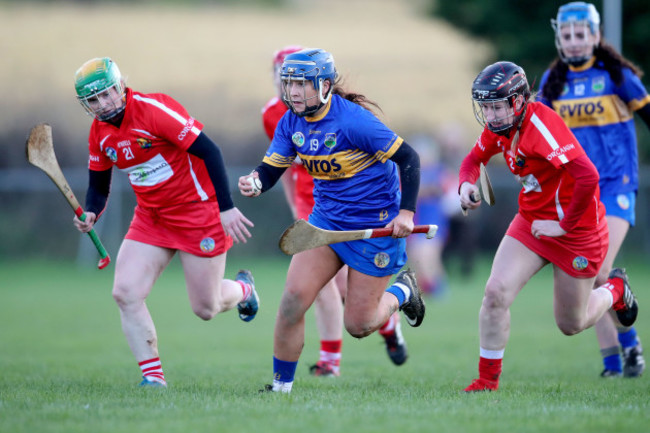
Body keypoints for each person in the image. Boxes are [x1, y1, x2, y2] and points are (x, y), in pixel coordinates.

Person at [240, 48, 425, 393]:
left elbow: (409, 158)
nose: (293, 92)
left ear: (324, 85)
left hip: (376, 228)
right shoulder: (290, 122)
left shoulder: (353, 121)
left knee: (359, 323)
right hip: (326, 224)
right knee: (293, 299)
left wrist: (407, 213)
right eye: (289, 83)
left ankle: (404, 291)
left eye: (302, 84)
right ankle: (281, 389)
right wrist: (255, 181)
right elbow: (272, 168)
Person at [72, 57, 259, 387]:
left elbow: (210, 151)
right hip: (152, 218)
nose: (101, 105)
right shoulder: (99, 133)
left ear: (120, 87)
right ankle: (153, 378)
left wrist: (226, 207)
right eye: (92, 100)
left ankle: (244, 290)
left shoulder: (154, 110)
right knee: (125, 293)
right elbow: (98, 186)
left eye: (106, 94)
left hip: (198, 213)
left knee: (206, 307)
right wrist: (91, 212)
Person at [459, 60, 639, 392]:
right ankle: (487, 381)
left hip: (578, 231)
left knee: (572, 324)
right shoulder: (500, 128)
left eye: (497, 106)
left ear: (517, 101)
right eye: (486, 107)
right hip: (530, 224)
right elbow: (473, 161)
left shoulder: (542, 126)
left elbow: (588, 176)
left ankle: (614, 290)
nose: (491, 115)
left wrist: (563, 225)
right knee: (495, 294)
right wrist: (465, 186)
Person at [538, 1, 648, 378]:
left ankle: (629, 349)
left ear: (595, 35)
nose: (572, 41)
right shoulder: (551, 83)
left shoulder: (615, 74)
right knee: (589, 274)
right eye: (566, 35)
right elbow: (537, 135)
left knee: (598, 271)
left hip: (617, 184)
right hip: (576, 192)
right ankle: (613, 361)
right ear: (559, 38)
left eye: (580, 34)